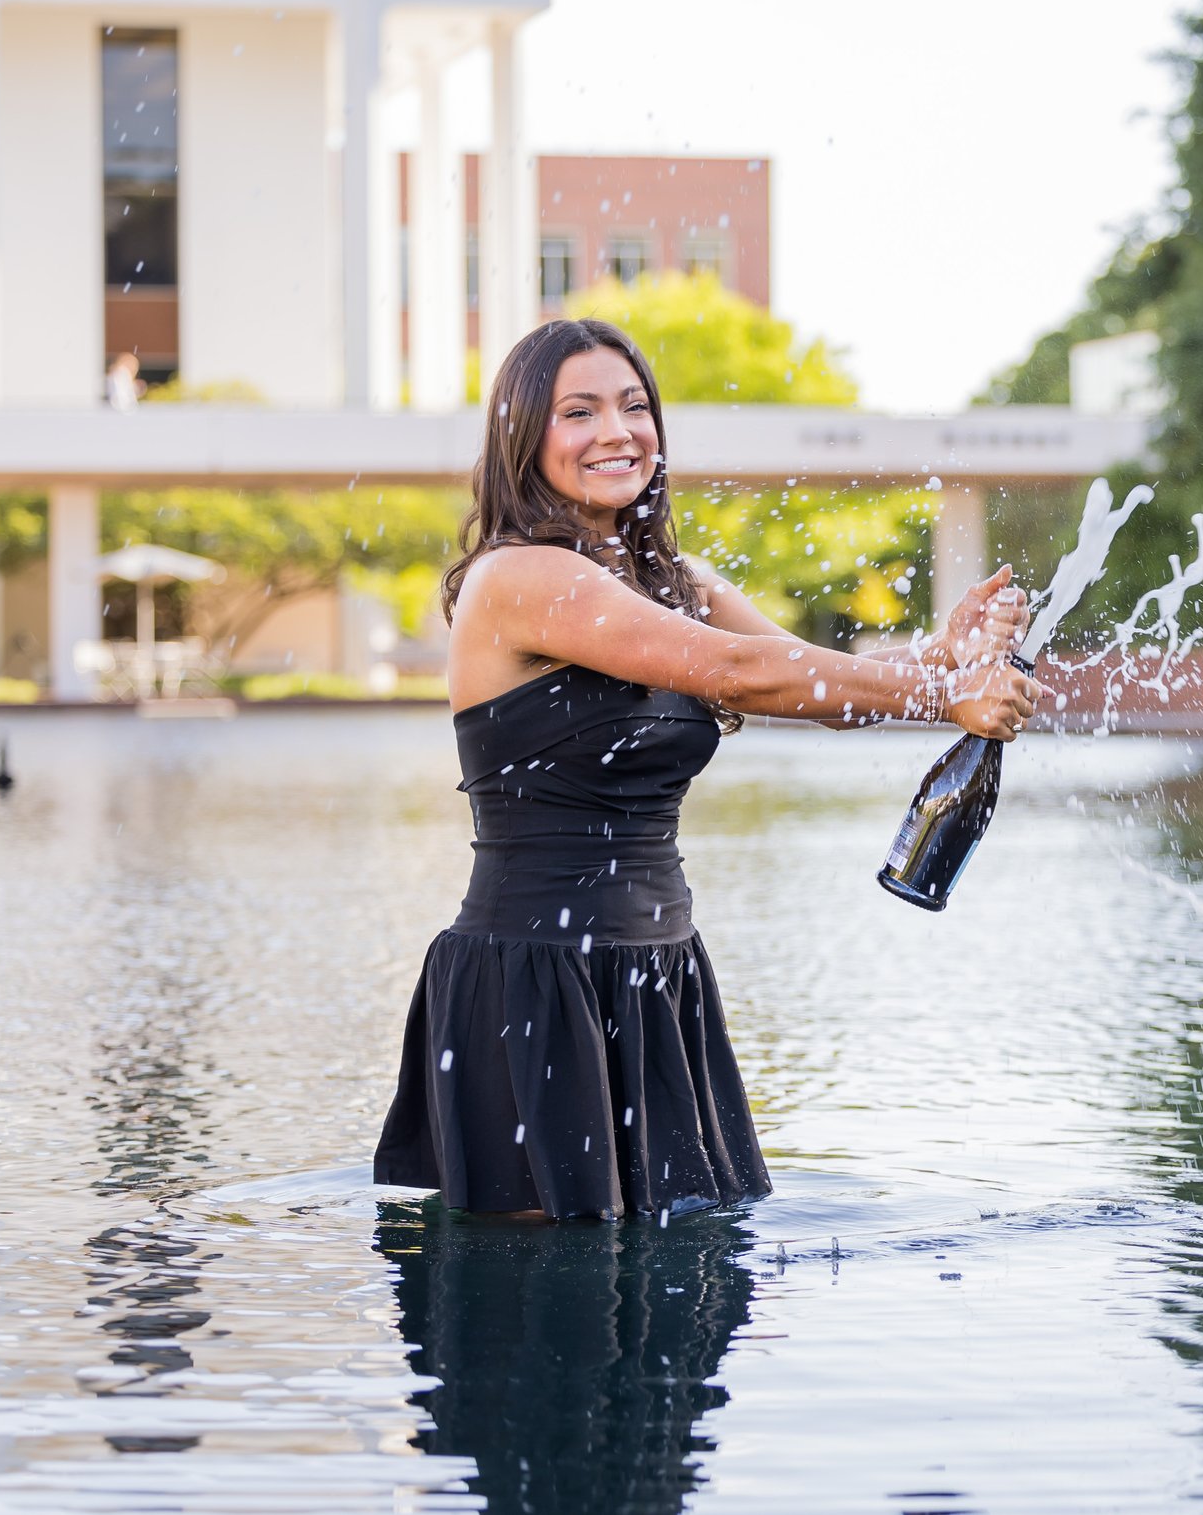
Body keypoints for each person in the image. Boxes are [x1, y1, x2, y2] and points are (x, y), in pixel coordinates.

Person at [372, 317, 1040, 1221]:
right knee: (541, 1305)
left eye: (634, 406)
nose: (617, 431)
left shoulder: (671, 577)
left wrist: (945, 658)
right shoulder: (520, 576)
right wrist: (939, 697)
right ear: (523, 439)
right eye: (579, 411)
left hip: (660, 978)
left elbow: (806, 678)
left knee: (673, 1317)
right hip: (535, 982)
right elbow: (736, 674)